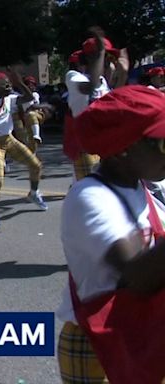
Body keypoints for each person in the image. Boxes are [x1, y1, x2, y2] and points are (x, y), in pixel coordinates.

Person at [57, 86, 165, 383]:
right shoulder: (89, 197)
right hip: (98, 345)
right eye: (162, 144)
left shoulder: (149, 186)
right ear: (122, 148)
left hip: (147, 334)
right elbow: (137, 276)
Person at [0, 70, 47, 230]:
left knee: (36, 165)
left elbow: (29, 98)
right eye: (4, 83)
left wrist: (20, 84)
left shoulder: (9, 98)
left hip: (9, 140)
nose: (8, 85)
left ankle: (33, 193)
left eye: (8, 82)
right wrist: (2, 89)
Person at [65, 30, 128, 181]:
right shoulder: (74, 77)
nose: (110, 60)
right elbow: (89, 87)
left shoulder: (103, 82)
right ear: (90, 57)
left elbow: (114, 104)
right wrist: (100, 53)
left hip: (104, 142)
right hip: (85, 145)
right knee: (92, 189)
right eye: (107, 56)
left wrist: (123, 74)